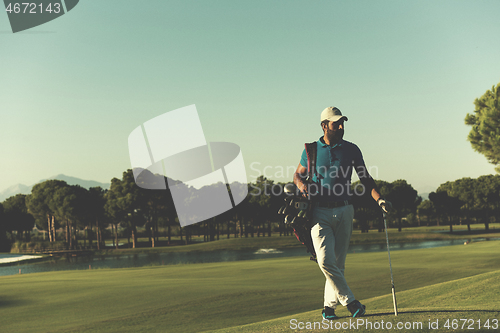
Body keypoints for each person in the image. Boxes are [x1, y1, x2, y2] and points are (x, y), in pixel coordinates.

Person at [293, 106, 391, 320]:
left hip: (345, 209)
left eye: (342, 122)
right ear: (324, 125)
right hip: (318, 211)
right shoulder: (311, 150)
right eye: (336, 123)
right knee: (325, 261)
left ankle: (328, 308)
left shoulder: (352, 149)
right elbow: (297, 175)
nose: (341, 126)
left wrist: (379, 199)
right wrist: (302, 187)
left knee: (338, 263)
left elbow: (365, 178)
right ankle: (352, 303)